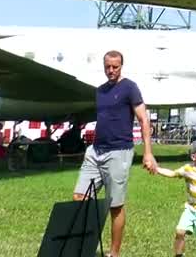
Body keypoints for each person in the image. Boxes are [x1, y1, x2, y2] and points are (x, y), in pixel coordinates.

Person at [72, 50, 157, 257]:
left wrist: (148, 153)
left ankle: (114, 253)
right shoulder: (100, 91)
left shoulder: (129, 88)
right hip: (95, 151)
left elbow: (144, 120)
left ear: (121, 66)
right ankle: (85, 246)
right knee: (79, 198)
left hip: (119, 152)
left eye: (115, 67)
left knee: (115, 206)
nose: (111, 70)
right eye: (107, 67)